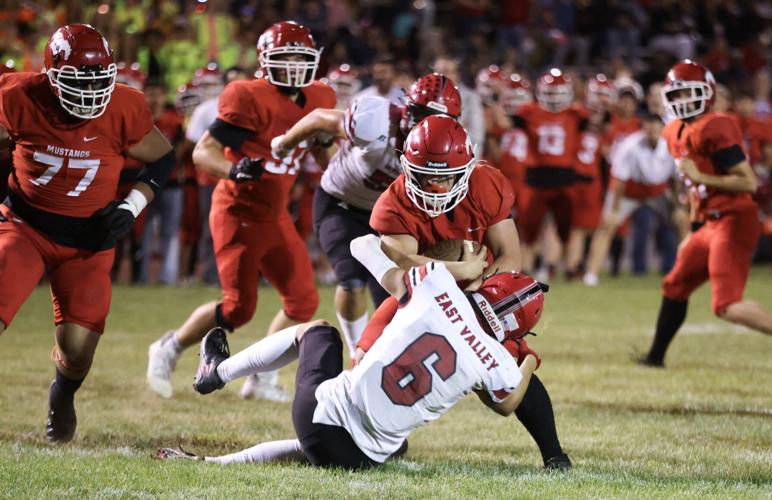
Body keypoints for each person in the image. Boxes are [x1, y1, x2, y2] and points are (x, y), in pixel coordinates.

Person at [155, 234, 540, 469]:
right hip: (366, 458)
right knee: (327, 444)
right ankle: (215, 463)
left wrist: (460, 268)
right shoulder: (501, 364)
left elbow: (362, 245)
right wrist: (527, 363)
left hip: (323, 420)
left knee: (319, 332)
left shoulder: (436, 284)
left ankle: (217, 372)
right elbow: (507, 404)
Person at [360, 115, 571, 469]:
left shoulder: (485, 184)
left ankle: (554, 453)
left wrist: (478, 293)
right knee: (367, 353)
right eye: (425, 175)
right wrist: (461, 272)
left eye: (444, 176)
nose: (435, 186)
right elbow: (407, 267)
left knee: (512, 360)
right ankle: (383, 436)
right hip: (418, 291)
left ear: (467, 168)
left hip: (479, 289)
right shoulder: (393, 201)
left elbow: (510, 256)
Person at [0, 24, 175, 442]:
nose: (91, 91)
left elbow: (163, 159)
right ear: (51, 74)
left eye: (99, 79)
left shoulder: (126, 106)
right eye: (78, 80)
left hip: (89, 240)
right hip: (26, 225)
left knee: (78, 350)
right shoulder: (18, 95)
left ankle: (62, 394)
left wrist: (132, 206)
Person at [146, 21, 335, 400]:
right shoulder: (249, 96)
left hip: (276, 214)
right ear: (266, 61)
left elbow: (321, 152)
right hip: (238, 213)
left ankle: (261, 379)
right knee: (237, 309)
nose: (296, 66)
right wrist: (233, 168)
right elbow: (203, 151)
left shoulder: (319, 98)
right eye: (287, 58)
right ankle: (170, 346)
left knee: (303, 301)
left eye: (302, 58)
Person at [272, 73, 462, 364]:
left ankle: (385, 360)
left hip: (390, 221)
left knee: (395, 294)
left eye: (432, 118)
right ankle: (355, 354)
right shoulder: (376, 120)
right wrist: (283, 144)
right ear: (407, 108)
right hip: (341, 204)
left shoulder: (449, 148)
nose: (423, 125)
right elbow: (320, 118)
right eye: (419, 114)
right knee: (351, 279)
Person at [640, 60, 772, 367]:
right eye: (678, 96)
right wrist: (693, 230)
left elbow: (747, 180)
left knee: (726, 306)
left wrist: (702, 176)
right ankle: (654, 359)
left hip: (733, 219)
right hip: (708, 223)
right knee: (674, 286)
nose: (684, 102)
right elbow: (695, 191)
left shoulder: (716, 125)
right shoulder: (673, 131)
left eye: (691, 94)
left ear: (707, 93)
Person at [584, 111, 677, 286]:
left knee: (680, 222)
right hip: (629, 192)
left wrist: (678, 204)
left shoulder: (670, 144)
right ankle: (591, 274)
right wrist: (614, 209)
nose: (652, 129)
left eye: (656, 125)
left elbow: (675, 177)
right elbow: (619, 180)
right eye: (648, 125)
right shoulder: (629, 145)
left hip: (657, 191)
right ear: (642, 127)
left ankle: (687, 271)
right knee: (607, 226)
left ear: (663, 127)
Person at [513, 68, 587, 273]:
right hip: (537, 177)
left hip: (564, 176)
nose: (554, 97)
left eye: (558, 92)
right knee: (529, 229)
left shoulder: (575, 113)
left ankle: (568, 267)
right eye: (551, 92)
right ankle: (525, 269)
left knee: (565, 228)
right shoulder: (529, 111)